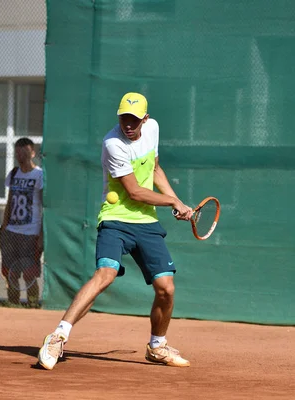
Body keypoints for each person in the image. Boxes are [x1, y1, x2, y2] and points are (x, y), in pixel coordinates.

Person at [37, 92, 194, 370]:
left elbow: (155, 169)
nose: (128, 124)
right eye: (124, 118)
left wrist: (176, 201)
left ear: (145, 119)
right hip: (116, 219)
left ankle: (157, 346)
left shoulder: (153, 129)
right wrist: (172, 201)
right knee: (105, 275)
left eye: (134, 119)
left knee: (166, 289)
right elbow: (134, 192)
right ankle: (58, 336)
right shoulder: (113, 144)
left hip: (146, 223)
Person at [0, 137, 43, 305]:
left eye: (24, 151)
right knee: (10, 273)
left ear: (32, 153)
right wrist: (4, 227)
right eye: (17, 151)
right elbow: (9, 202)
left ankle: (32, 304)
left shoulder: (39, 175)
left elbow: (44, 206)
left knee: (29, 273)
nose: (20, 155)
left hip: (30, 233)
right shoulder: (14, 173)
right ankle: (13, 304)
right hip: (12, 231)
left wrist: (42, 234)